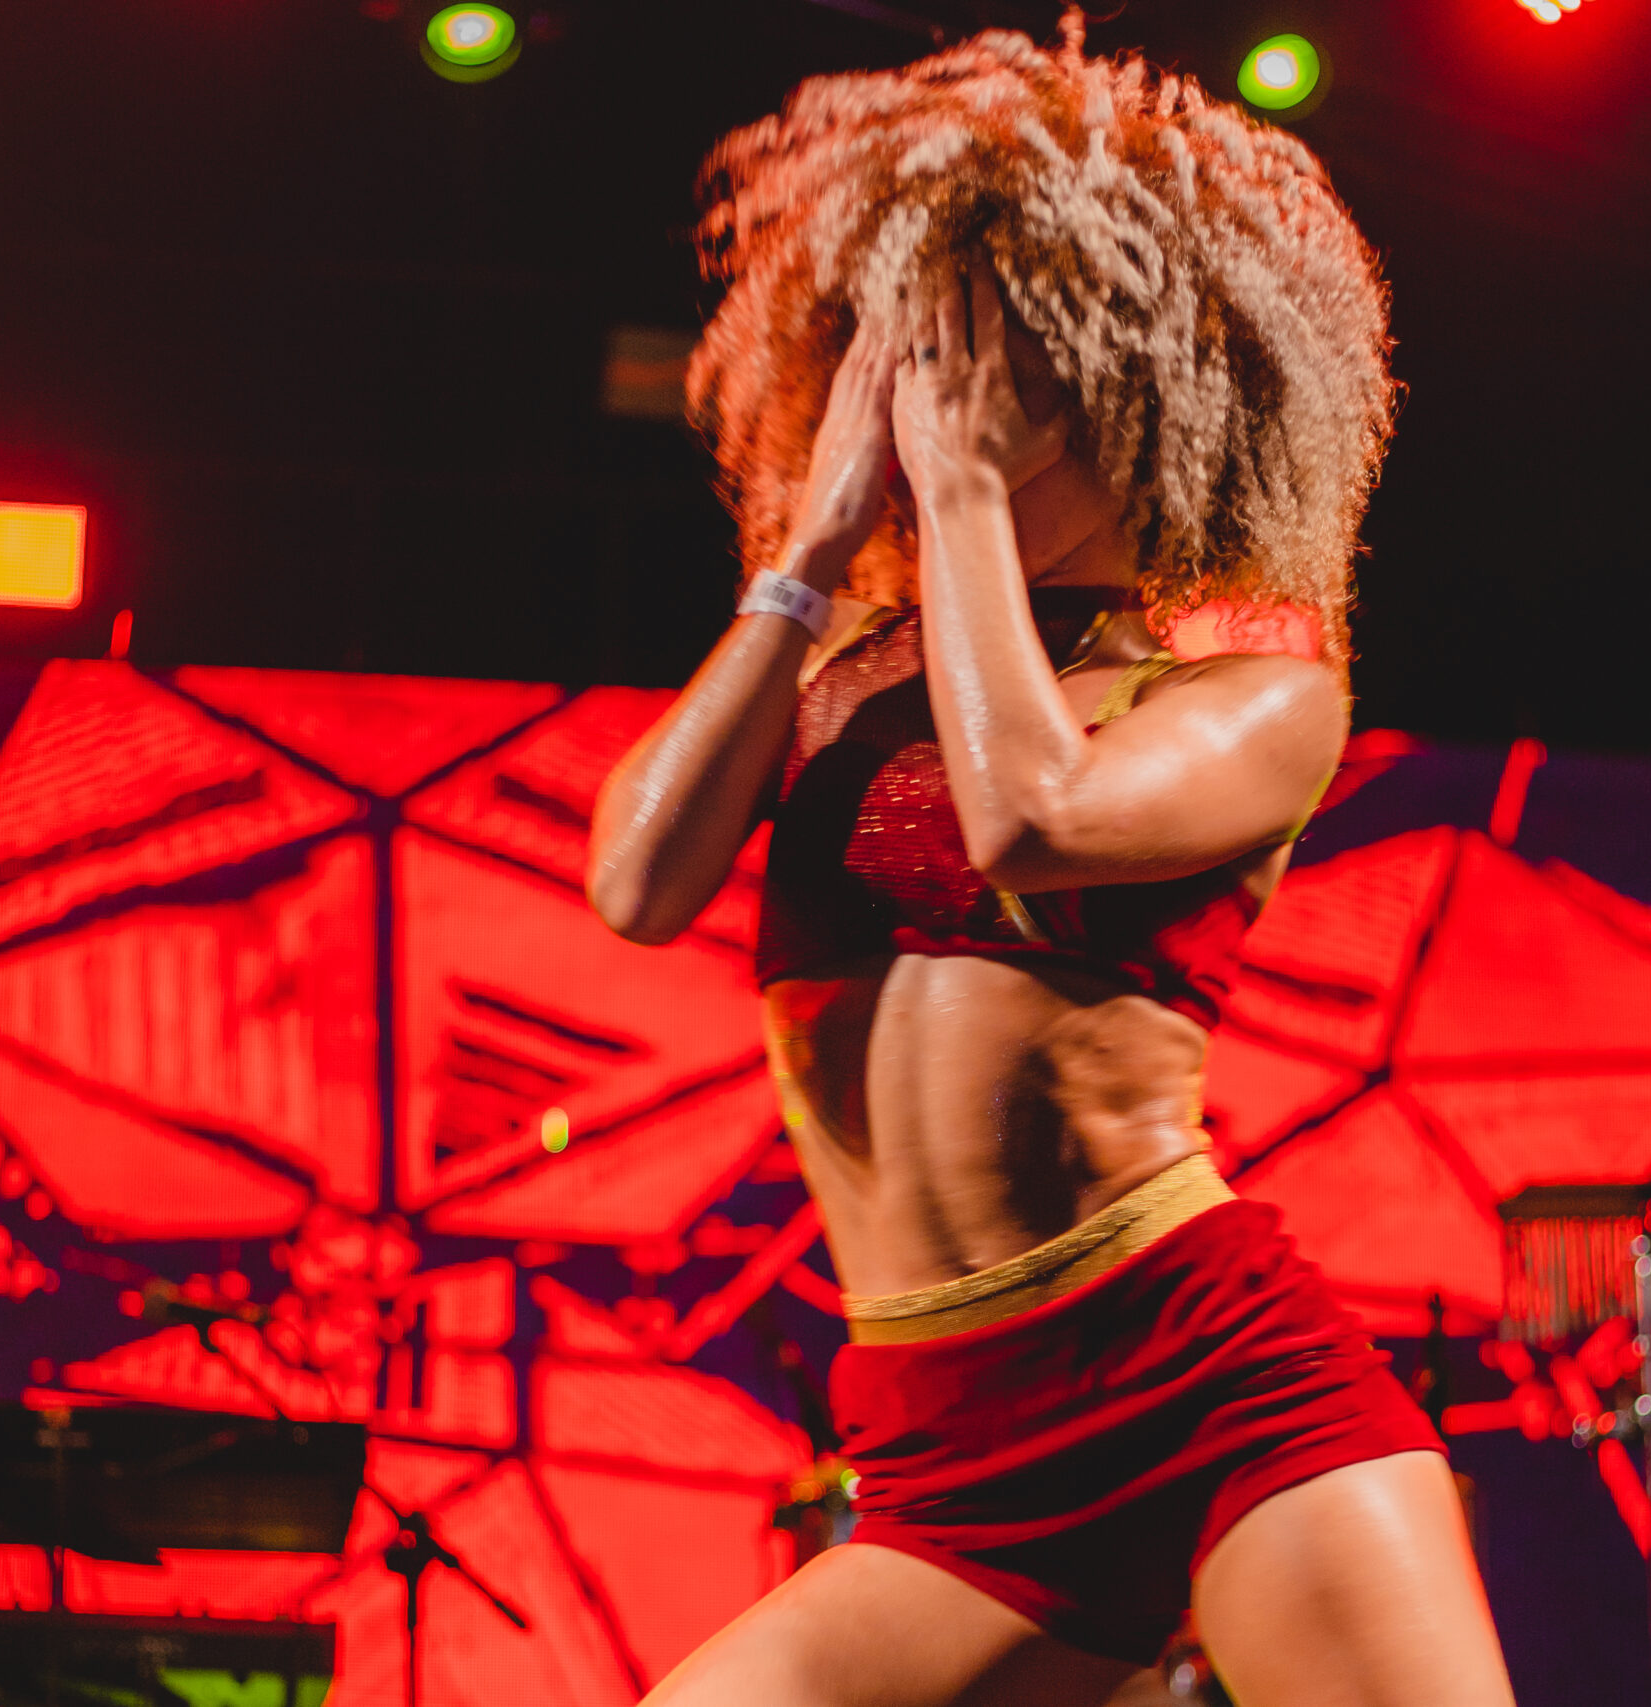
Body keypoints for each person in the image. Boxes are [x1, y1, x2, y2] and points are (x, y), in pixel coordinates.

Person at [589, 15, 1516, 1705]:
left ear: (1136, 408)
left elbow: (1035, 818)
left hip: (1207, 1386)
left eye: (1008, 385)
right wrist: (810, 547)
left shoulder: (1252, 692)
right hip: (950, 1453)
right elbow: (636, 883)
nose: (962, 421)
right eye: (931, 377)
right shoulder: (833, 678)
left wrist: (958, 507)